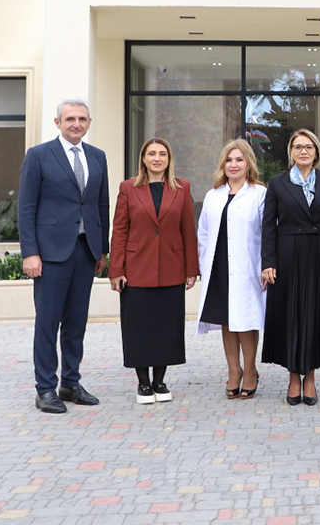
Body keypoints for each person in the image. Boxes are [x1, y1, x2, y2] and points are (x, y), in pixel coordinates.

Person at [18, 99, 109, 414]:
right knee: (48, 322)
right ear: (57, 122)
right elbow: (26, 207)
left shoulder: (97, 157)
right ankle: (45, 388)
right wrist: (30, 252)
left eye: (82, 119)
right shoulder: (39, 156)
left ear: (89, 122)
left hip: (85, 251)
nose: (76, 124)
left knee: (76, 323)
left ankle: (70, 383)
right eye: (70, 119)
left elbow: (101, 205)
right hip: (50, 254)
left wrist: (102, 249)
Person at [109, 138, 200, 405]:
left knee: (166, 328)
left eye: (162, 154)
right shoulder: (128, 188)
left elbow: (188, 231)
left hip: (172, 268)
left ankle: (160, 381)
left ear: (169, 159)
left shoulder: (181, 187)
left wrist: (191, 269)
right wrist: (116, 269)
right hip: (136, 269)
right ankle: (143, 383)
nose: (157, 158)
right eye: (152, 154)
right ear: (143, 159)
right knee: (139, 328)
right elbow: (120, 230)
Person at [261, 129, 320, 406]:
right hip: (286, 255)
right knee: (289, 316)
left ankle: (309, 377)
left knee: (314, 316)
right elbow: (268, 225)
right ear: (291, 152)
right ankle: (292, 378)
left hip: (319, 254)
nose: (303, 151)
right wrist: (268, 262)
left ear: (316, 152)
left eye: (308, 147)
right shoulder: (277, 183)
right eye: (298, 147)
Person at [196, 139, 267, 400]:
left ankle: (250, 371)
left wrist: (266, 265)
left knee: (246, 319)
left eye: (239, 159)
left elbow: (267, 232)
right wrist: (203, 263)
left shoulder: (259, 194)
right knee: (227, 319)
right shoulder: (213, 195)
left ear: (248, 163)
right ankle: (233, 371)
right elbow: (203, 233)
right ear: (222, 164)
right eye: (229, 160)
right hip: (218, 265)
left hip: (248, 266)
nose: (233, 164)